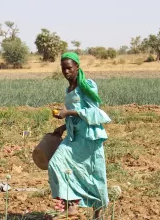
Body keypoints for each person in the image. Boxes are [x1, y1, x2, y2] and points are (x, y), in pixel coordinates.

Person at [48, 52, 111, 219]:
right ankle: (72, 206)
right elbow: (76, 115)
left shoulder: (87, 85)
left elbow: (93, 111)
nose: (66, 72)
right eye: (63, 68)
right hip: (74, 135)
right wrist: (62, 126)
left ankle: (97, 211)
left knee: (92, 171)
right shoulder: (68, 89)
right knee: (57, 163)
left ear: (77, 67)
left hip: (89, 136)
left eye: (69, 68)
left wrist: (67, 111)